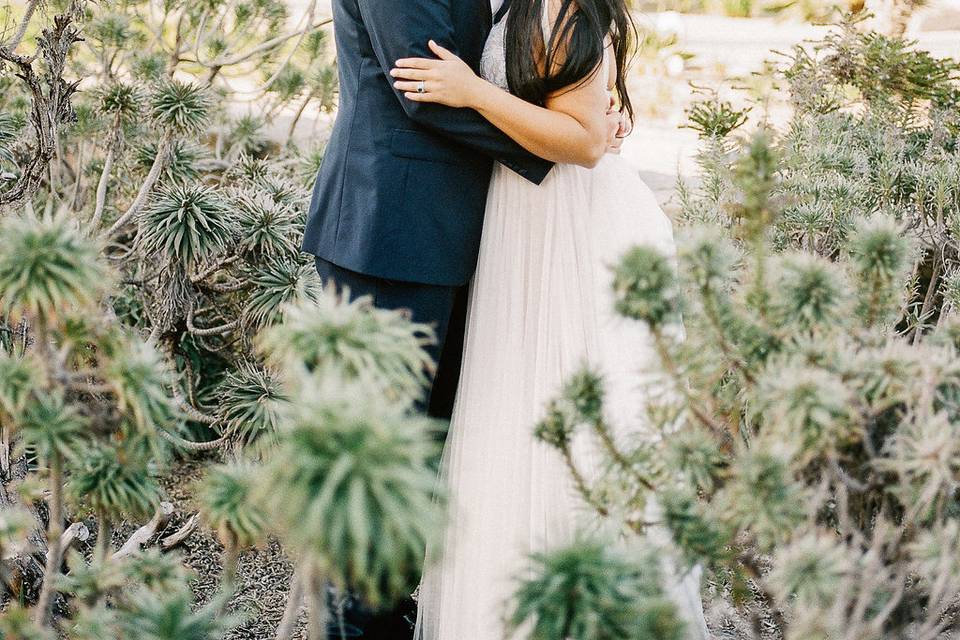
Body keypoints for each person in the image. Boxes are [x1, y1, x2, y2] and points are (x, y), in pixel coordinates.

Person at [389, 0, 711, 638]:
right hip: (522, 223)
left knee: (561, 405)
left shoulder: (561, 7)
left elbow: (587, 143)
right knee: (511, 411)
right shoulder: (520, 7)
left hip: (563, 225)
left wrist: (475, 91)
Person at [300, 0, 622, 637]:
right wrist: (565, 141)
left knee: (428, 455)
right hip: (389, 235)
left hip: (451, 238)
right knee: (382, 463)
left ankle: (392, 613)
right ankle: (359, 626)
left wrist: (567, 120)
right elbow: (423, 91)